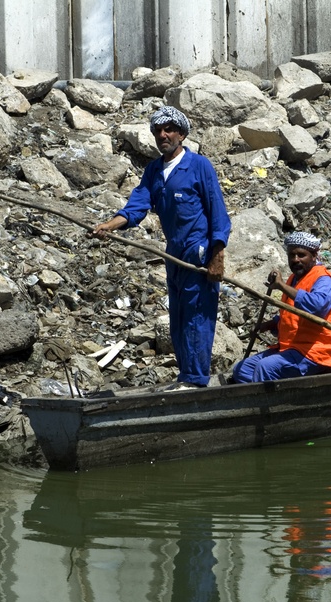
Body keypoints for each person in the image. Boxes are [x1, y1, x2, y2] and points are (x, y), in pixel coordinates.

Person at [91, 105, 232, 389]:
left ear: (181, 133)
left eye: (168, 130)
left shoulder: (198, 166)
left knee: (196, 316)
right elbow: (137, 205)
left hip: (198, 255)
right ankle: (186, 376)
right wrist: (109, 225)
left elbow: (218, 212)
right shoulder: (154, 171)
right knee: (178, 317)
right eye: (157, 131)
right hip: (174, 254)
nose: (162, 135)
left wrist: (217, 257)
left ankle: (195, 380)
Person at [231, 231, 331, 382]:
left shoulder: (324, 280)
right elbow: (291, 316)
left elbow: (317, 306)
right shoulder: (294, 279)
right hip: (292, 347)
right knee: (242, 370)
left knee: (265, 367)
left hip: (316, 351)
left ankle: (265, 403)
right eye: (292, 255)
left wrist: (282, 286)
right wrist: (270, 324)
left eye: (301, 255)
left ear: (314, 256)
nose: (295, 260)